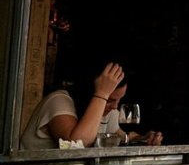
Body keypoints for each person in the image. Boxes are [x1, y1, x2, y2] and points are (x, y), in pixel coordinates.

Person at [20, 61, 163, 149]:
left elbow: (121, 137)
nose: (115, 107)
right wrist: (101, 94)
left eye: (119, 100)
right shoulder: (58, 100)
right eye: (110, 100)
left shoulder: (107, 111)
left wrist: (143, 139)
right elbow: (76, 145)